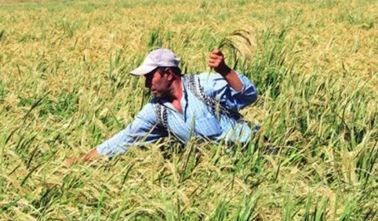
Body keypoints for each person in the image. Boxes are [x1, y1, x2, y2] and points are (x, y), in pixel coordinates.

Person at [64, 47, 258, 166]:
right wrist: (81, 160)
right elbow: (124, 139)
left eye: (150, 77)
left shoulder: (203, 85)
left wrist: (224, 70)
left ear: (167, 73)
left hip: (254, 151)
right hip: (221, 169)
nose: (147, 84)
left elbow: (249, 95)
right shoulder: (156, 111)